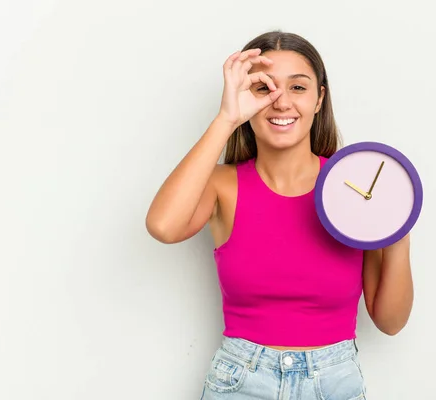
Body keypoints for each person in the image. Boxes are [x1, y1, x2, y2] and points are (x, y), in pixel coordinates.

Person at [145, 30, 414, 400]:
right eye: (263, 88)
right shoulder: (223, 185)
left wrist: (398, 233)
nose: (281, 102)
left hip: (334, 381)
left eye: (298, 88)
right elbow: (163, 225)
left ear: (320, 98)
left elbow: (390, 321)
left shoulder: (350, 185)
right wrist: (226, 118)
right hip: (241, 381)